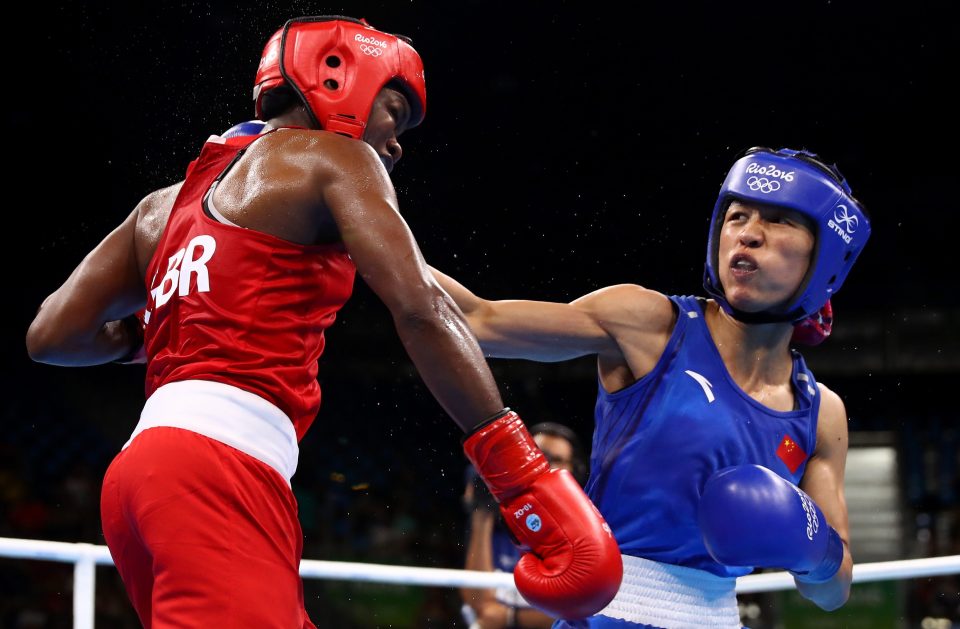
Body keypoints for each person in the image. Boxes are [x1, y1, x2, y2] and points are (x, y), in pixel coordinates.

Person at [25, 16, 622, 627]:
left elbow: (52, 335)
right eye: (395, 112)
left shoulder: (160, 207)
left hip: (142, 476)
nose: (396, 144)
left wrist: (174, 330)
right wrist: (520, 475)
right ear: (342, 84)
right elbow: (421, 310)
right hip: (215, 473)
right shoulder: (337, 159)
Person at [432, 146, 871, 627]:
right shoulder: (652, 325)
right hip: (607, 612)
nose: (747, 234)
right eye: (737, 215)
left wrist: (811, 545)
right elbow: (478, 320)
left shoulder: (821, 412)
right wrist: (363, 228)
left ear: (824, 256)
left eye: (780, 220)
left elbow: (833, 591)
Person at [461, 422, 588, 629]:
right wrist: (481, 514)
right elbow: (478, 603)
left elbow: (588, 609)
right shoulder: (501, 520)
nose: (544, 465)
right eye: (538, 455)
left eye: (555, 460)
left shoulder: (584, 529)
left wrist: (512, 618)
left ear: (574, 471)